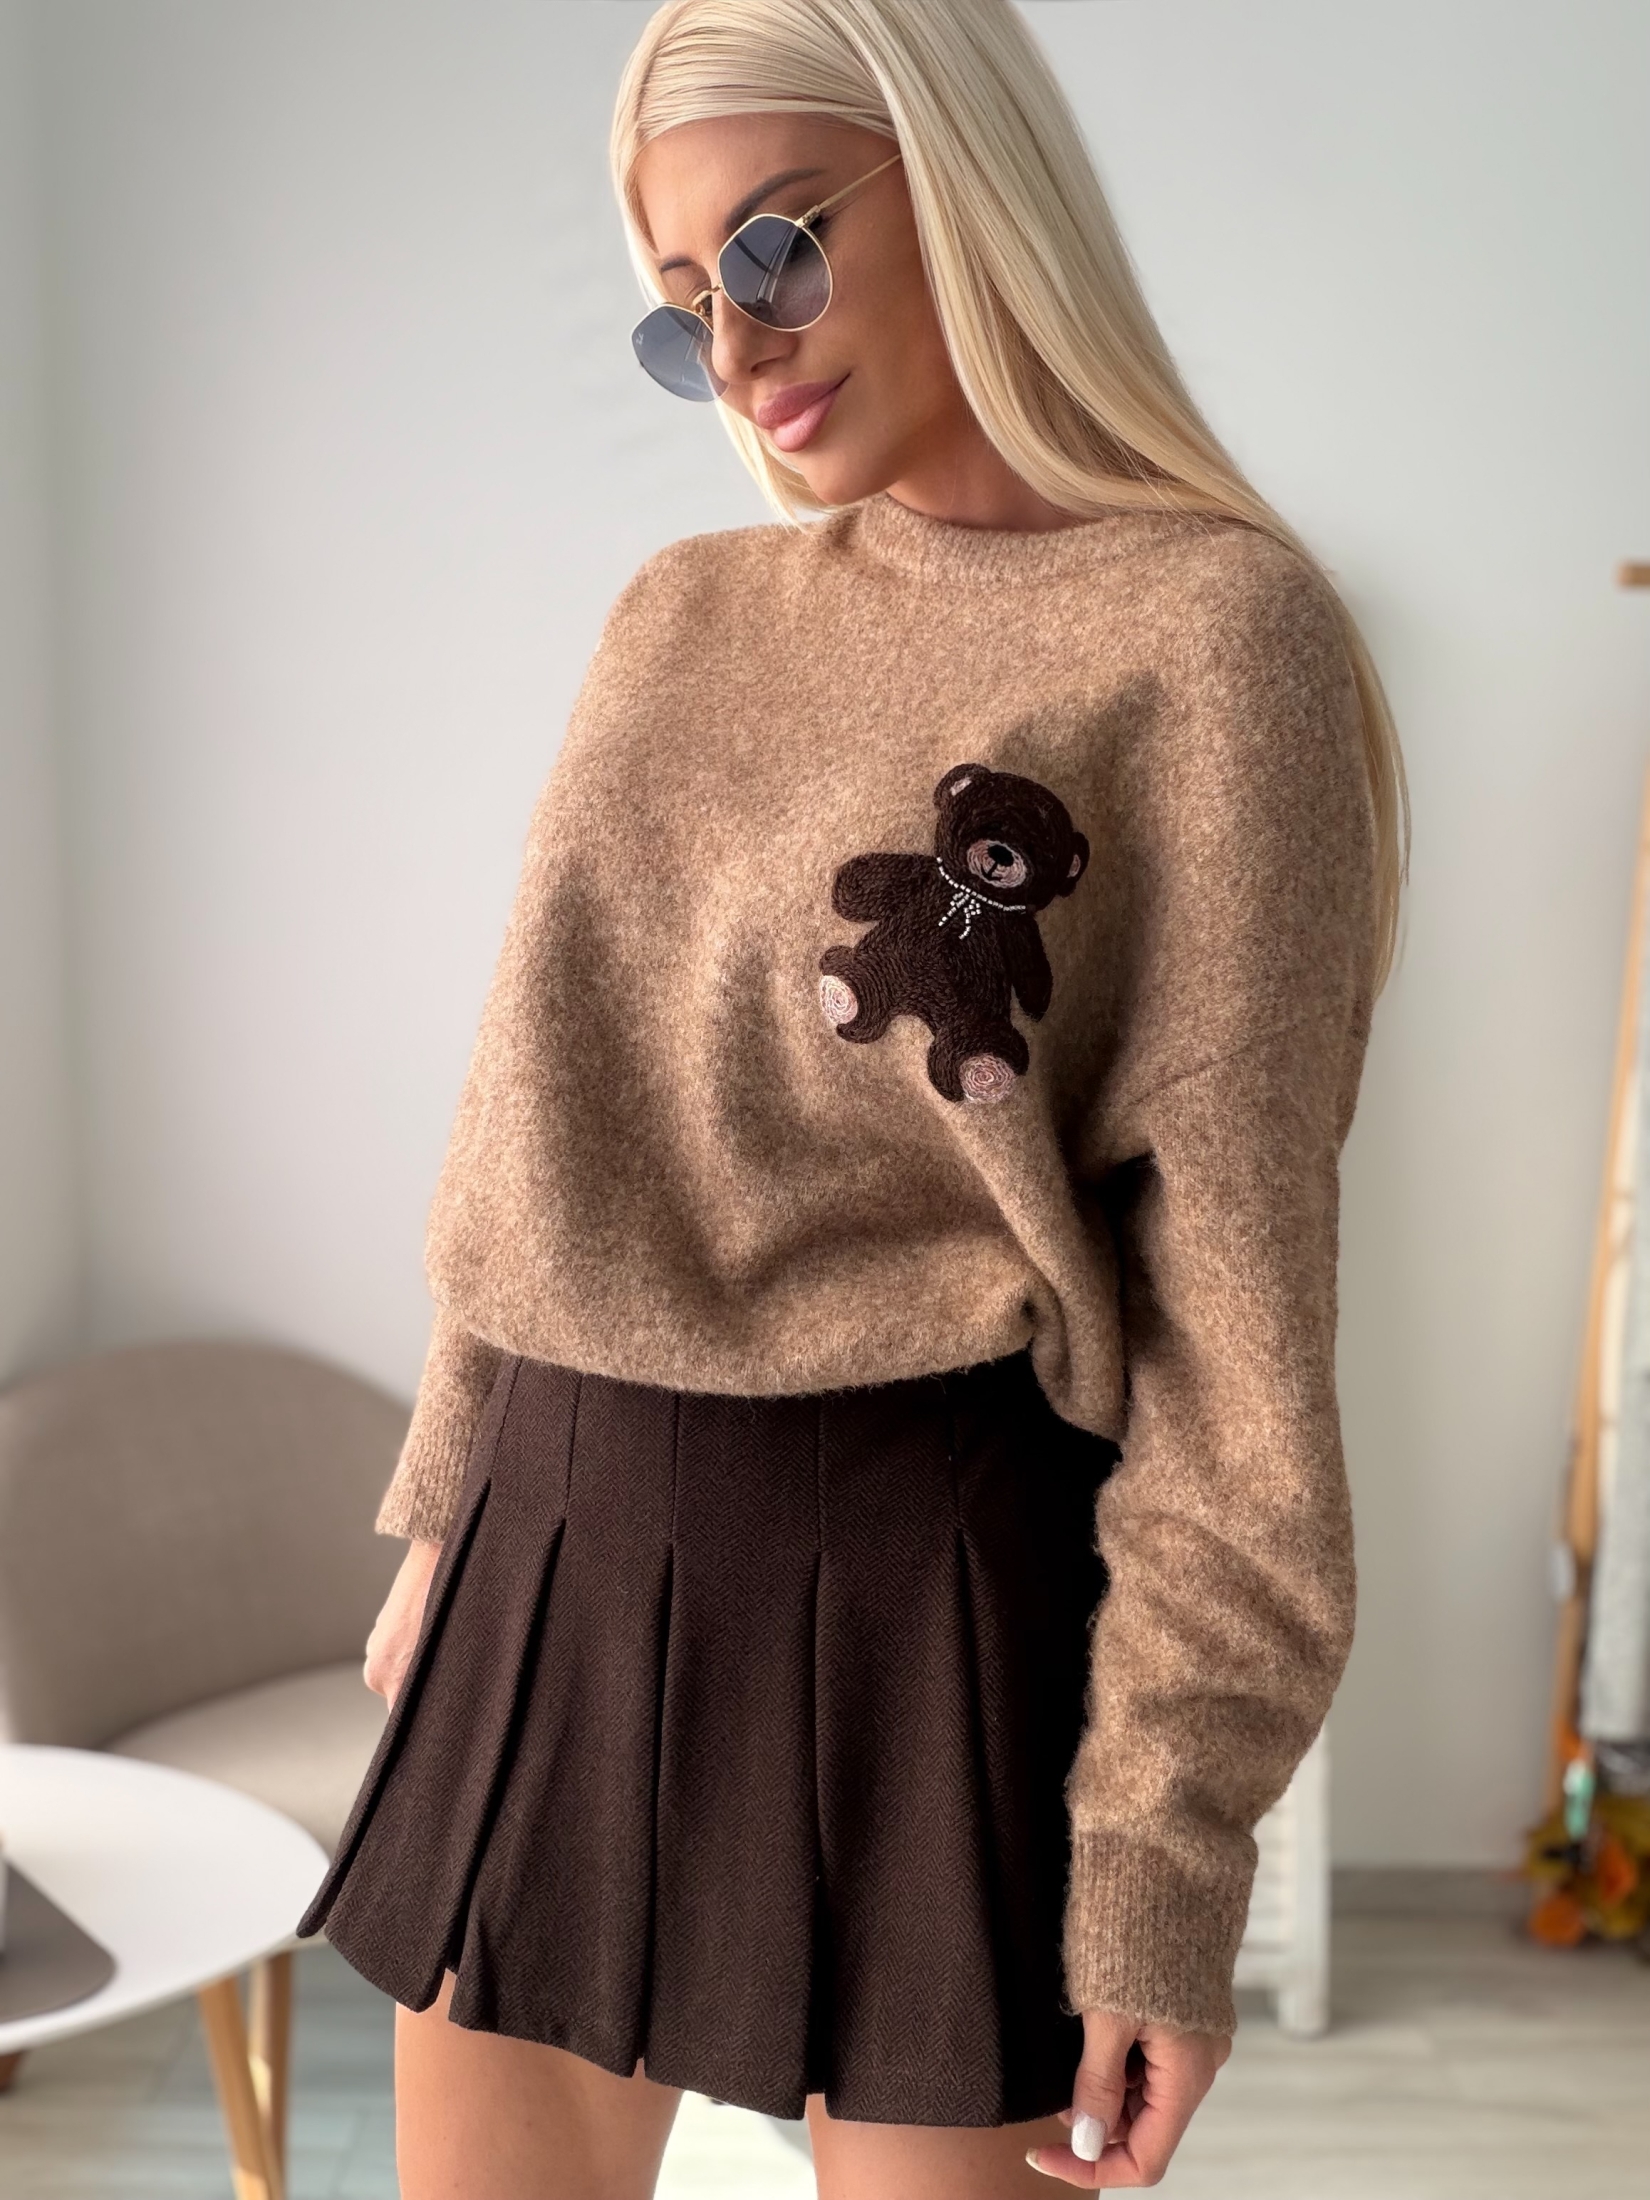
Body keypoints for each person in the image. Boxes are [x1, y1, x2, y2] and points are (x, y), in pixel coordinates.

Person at [296, 1, 1406, 2193]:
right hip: (558, 1527)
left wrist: (1165, 1859)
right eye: (682, 308)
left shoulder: (1215, 636)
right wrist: (450, 1505)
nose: (739, 348)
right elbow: (539, 1107)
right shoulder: (679, 612)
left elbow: (1236, 1323)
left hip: (935, 1577)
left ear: (967, 182)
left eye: (776, 248)